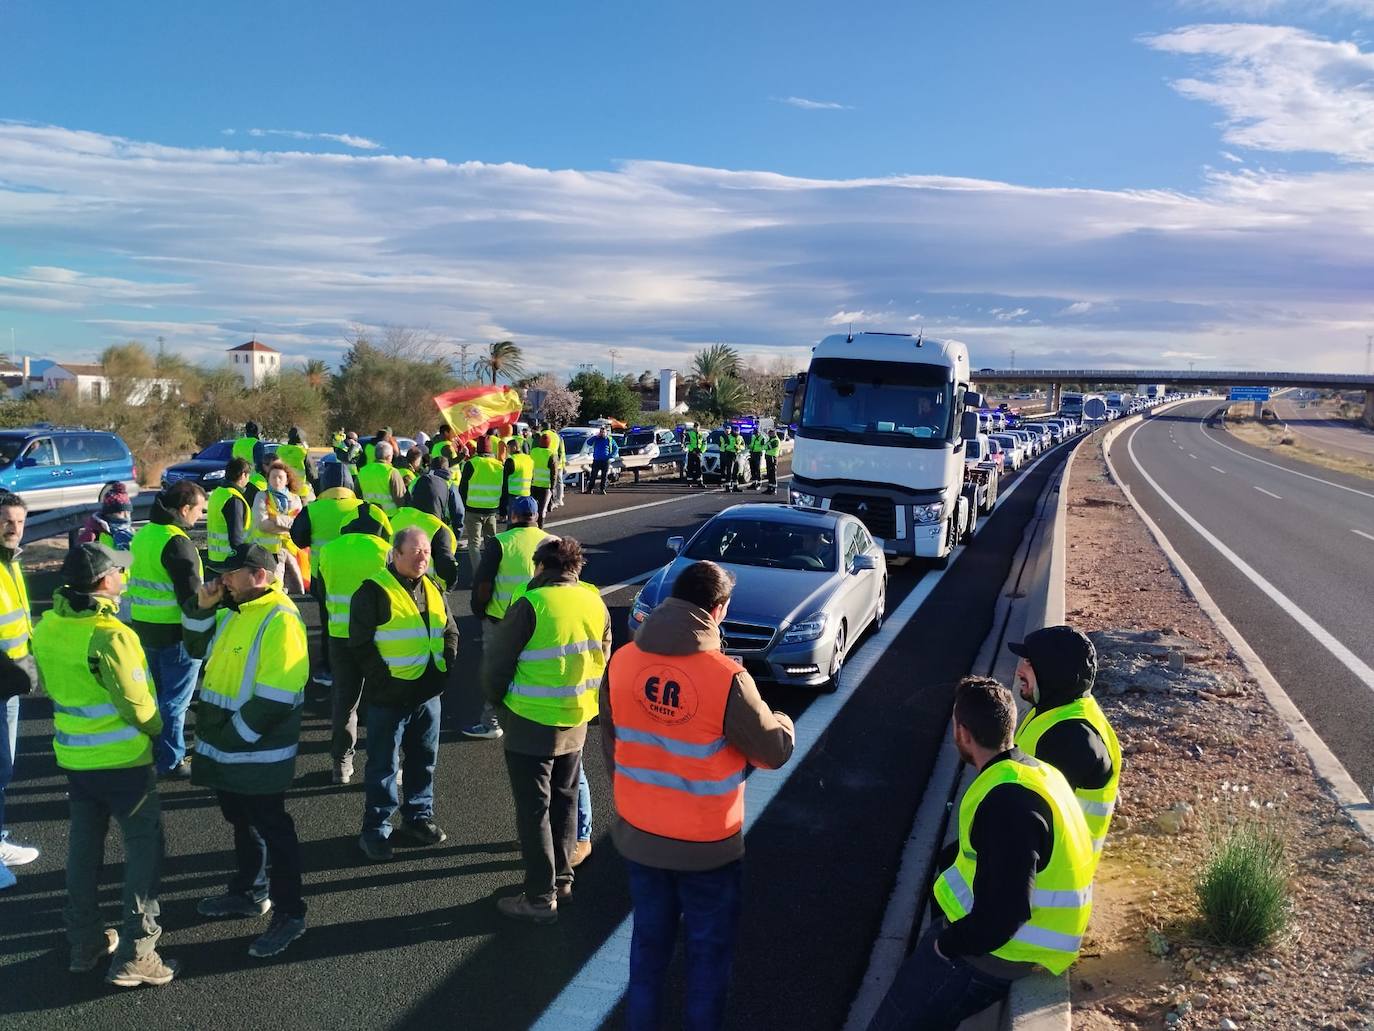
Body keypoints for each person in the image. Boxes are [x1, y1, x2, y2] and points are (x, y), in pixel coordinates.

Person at [601, 560, 795, 1029]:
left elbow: (612, 740)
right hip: (708, 848)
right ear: (719, 609)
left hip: (641, 836)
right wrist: (784, 723)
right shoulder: (726, 677)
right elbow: (772, 752)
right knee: (707, 963)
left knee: (647, 955)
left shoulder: (624, 660)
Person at [866, 677, 1094, 1031]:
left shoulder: (1006, 803)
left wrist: (946, 944)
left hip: (1003, 953)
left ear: (963, 733)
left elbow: (1005, 915)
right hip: (1021, 940)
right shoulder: (1035, 772)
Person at [31, 542, 176, 986]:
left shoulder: (50, 624)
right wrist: (158, 730)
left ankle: (84, 940)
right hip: (123, 761)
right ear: (103, 581)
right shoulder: (112, 635)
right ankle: (138, 952)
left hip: (74, 756)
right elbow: (137, 704)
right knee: (143, 851)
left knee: (84, 848)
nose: (123, 576)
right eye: (119, 571)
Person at [183, 544, 311, 959]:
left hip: (253, 753)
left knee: (273, 828)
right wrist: (201, 607)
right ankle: (250, 892)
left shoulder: (280, 619)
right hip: (230, 750)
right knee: (242, 821)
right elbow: (195, 648)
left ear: (258, 575)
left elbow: (276, 695)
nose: (222, 581)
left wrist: (233, 736)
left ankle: (290, 913)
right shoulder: (234, 611)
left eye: (230, 574)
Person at [482, 536, 610, 923]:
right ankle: (563, 882)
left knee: (534, 810)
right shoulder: (594, 602)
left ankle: (540, 897)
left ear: (540, 567)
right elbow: (603, 655)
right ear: (576, 568)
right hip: (575, 720)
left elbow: (496, 666)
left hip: (530, 723)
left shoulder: (531, 604)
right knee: (565, 801)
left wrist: (500, 707)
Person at [351, 527, 459, 862]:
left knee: (424, 761)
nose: (422, 556)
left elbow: (450, 630)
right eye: (413, 551)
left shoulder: (434, 587)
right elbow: (360, 644)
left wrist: (446, 668)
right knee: (384, 766)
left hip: (428, 696)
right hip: (390, 698)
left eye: (425, 550)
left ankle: (418, 818)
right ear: (394, 554)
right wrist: (383, 681)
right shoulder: (372, 591)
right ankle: (376, 829)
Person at [1009, 626, 1121, 865]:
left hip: (1046, 880)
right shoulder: (1059, 711)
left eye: (1029, 662)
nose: (1019, 670)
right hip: (1045, 868)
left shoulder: (1068, 738)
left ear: (1053, 671)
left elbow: (1028, 823)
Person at [128, 481, 206, 778]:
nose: (199, 516)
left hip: (146, 628)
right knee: (175, 701)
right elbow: (190, 597)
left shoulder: (145, 534)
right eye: (199, 510)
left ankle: (156, 750)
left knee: (157, 696)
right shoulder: (176, 542)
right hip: (176, 632)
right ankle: (172, 759)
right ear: (185, 509)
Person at [290, 462, 390, 690]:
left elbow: (298, 540)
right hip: (367, 575)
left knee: (330, 622)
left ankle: (329, 668)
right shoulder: (368, 508)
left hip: (325, 575)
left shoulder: (313, 510)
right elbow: (388, 537)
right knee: (371, 622)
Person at [317, 508, 391, 784]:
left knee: (345, 702)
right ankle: (386, 764)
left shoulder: (328, 550)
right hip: (379, 638)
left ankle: (342, 764)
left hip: (340, 635)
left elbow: (320, 591)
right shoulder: (385, 550)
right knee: (384, 702)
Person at [0, 493, 38, 888]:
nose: (14, 528)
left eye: (20, 522)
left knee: (3, 768)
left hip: (8, 680)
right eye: (7, 521)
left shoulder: (10, 562)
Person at [392, 470, 461, 591]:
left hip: (393, 585)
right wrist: (447, 588)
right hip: (425, 590)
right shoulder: (439, 529)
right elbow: (447, 567)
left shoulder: (397, 517)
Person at [251, 460, 305, 593]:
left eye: (280, 477)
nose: (277, 480)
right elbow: (263, 524)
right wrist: (286, 527)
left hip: (290, 550)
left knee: (297, 589)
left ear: (287, 480)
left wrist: (276, 519)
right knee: (273, 587)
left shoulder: (295, 499)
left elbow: (297, 523)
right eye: (273, 477)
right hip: (267, 551)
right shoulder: (262, 496)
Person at [459, 436, 504, 577]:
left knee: (474, 544)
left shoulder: (471, 464)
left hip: (473, 508)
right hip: (491, 509)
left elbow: (463, 488)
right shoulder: (499, 465)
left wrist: (464, 505)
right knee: (491, 542)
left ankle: (479, 575)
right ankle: (493, 573)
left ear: (478, 449)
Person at [206, 459, 253, 565]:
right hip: (230, 560)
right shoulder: (234, 499)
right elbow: (236, 539)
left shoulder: (217, 493)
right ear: (243, 475)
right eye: (248, 476)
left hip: (215, 557)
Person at [77, 483, 135, 550]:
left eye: (128, 512)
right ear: (108, 514)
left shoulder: (130, 532)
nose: (126, 517)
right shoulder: (92, 536)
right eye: (120, 513)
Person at [356, 440, 405, 518]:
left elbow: (357, 494)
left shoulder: (363, 470)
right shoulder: (392, 472)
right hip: (390, 516)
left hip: (369, 515)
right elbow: (400, 498)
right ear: (389, 456)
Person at [275, 426, 316, 500]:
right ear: (302, 439)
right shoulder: (303, 452)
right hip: (300, 492)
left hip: (282, 490)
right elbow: (312, 474)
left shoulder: (280, 450)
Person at [528, 431, 559, 528]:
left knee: (532, 509)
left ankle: (531, 527)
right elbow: (554, 473)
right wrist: (553, 487)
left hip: (533, 485)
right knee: (542, 510)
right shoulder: (551, 454)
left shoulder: (533, 452)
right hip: (546, 487)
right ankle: (540, 529)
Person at [502, 437, 535, 523]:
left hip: (513, 495)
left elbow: (504, 481)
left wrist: (503, 500)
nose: (508, 451)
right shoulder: (529, 459)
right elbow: (532, 477)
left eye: (508, 448)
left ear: (514, 447)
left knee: (512, 522)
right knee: (525, 521)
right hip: (527, 494)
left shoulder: (511, 460)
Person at [586, 426, 617, 495]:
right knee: (593, 476)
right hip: (596, 460)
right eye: (601, 432)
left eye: (603, 432)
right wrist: (595, 436)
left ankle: (602, 489)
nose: (602, 433)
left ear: (606, 433)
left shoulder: (609, 439)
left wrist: (610, 456)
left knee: (604, 476)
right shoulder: (596, 439)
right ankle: (590, 489)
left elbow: (616, 448)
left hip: (605, 461)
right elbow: (588, 442)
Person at [760, 428, 781, 495]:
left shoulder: (776, 441)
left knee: (773, 474)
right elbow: (765, 446)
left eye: (770, 433)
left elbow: (767, 447)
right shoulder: (771, 439)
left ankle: (774, 489)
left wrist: (764, 445)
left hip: (773, 458)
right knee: (769, 474)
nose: (769, 435)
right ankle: (769, 488)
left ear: (773, 433)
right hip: (769, 457)